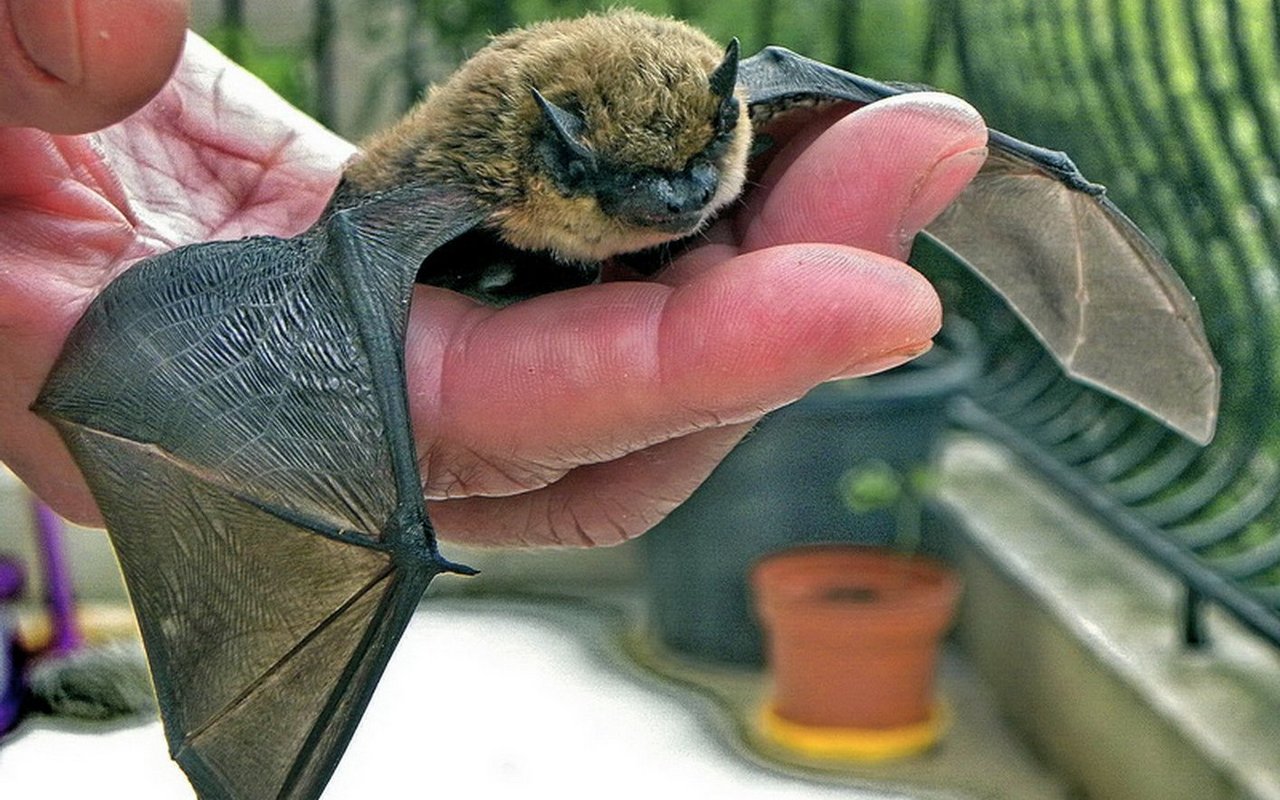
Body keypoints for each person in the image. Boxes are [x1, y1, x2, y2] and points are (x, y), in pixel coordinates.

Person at [0, 0, 988, 546]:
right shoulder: (475, 171)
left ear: (729, 115)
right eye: (628, 183)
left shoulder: (727, 104)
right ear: (555, 157)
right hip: (447, 221)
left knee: (907, 146)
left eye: (697, 166)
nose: (674, 198)